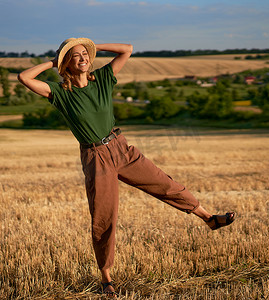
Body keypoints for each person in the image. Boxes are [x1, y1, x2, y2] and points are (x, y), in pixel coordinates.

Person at [18, 37, 235, 297]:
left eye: (86, 54)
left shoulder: (103, 79)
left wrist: (91, 45)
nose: (84, 58)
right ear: (67, 63)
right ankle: (106, 277)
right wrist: (55, 62)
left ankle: (209, 218)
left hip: (121, 148)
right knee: (104, 217)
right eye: (76, 56)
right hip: (96, 157)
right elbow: (24, 77)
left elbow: (127, 50)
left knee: (165, 184)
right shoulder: (61, 93)